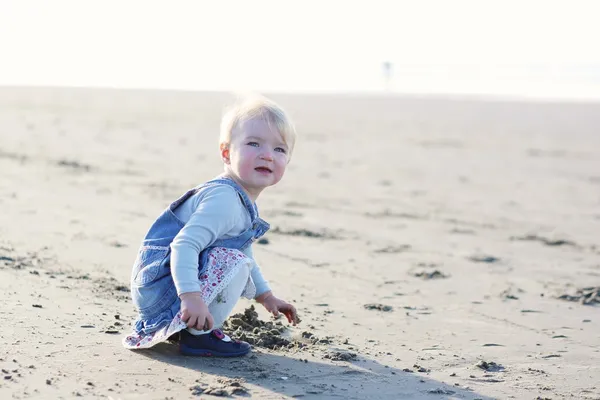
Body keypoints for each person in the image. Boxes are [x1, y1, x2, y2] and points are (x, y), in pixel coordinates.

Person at [123, 94, 299, 357]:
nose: (267, 155)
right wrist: (190, 297)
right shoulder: (225, 200)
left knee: (237, 257)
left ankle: (188, 327)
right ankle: (199, 336)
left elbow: (245, 252)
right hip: (161, 288)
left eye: (279, 149)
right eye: (253, 144)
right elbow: (184, 244)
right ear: (227, 153)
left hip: (163, 287)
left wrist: (267, 297)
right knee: (233, 261)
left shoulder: (240, 200)